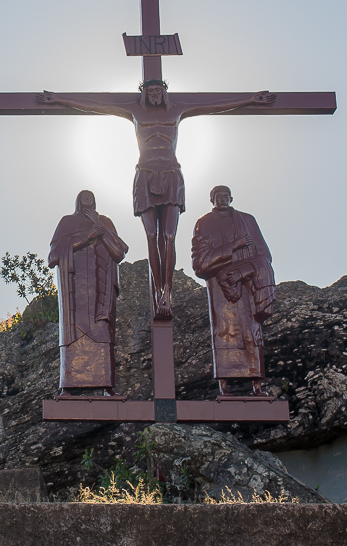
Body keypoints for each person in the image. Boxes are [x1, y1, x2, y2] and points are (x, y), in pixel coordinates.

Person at [37, 82, 274, 320]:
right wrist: (59, 99)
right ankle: (157, 290)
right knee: (151, 236)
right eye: (149, 91)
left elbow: (213, 105)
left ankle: (166, 291)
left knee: (169, 236)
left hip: (171, 174)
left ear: (164, 93)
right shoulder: (134, 110)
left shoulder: (177, 109)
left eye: (158, 91)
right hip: (145, 176)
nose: (154, 95)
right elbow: (96, 105)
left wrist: (250, 100)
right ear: (144, 94)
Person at [191, 186, 276, 397]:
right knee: (223, 333)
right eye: (217, 197)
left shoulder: (248, 220)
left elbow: (264, 254)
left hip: (248, 284)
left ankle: (256, 386)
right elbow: (200, 263)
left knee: (253, 333)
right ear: (212, 200)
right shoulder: (204, 223)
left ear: (231, 198)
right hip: (221, 289)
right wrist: (233, 246)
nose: (222, 200)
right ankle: (224, 386)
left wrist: (243, 270)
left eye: (225, 196)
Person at [48, 190, 128, 394]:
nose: (87, 199)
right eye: (83, 197)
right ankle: (68, 387)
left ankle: (107, 387)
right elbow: (53, 256)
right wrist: (86, 237)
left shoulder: (105, 221)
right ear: (77, 201)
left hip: (101, 288)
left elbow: (119, 252)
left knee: (102, 333)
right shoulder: (67, 221)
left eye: (90, 196)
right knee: (74, 334)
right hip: (76, 290)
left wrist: (100, 229)